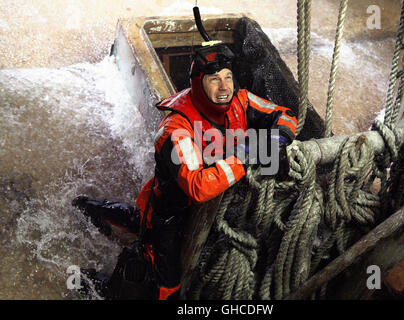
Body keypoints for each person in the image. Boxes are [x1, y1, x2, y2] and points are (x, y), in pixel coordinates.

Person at [72, 42, 298, 300]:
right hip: (172, 212)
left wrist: (276, 140)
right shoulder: (176, 127)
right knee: (165, 285)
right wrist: (248, 154)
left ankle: (90, 206)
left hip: (213, 202)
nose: (224, 87)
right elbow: (198, 186)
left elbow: (285, 114)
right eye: (215, 80)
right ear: (198, 84)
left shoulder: (241, 100)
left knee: (140, 222)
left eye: (228, 78)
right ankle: (87, 272)